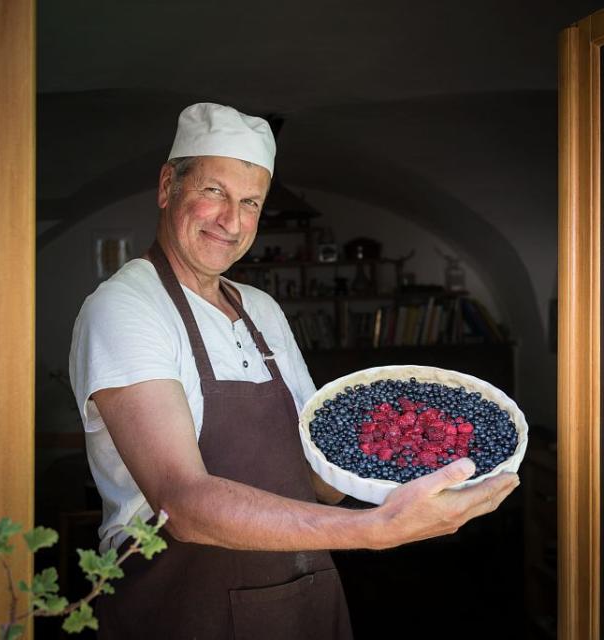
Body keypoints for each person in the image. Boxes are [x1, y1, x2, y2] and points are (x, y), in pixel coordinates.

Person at [69, 102, 519, 639]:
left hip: (297, 596)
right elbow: (181, 504)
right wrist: (376, 530)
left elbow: (317, 477)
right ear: (169, 186)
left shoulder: (262, 310)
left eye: (251, 202)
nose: (231, 221)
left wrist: (415, 460)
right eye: (214, 192)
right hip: (183, 608)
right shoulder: (125, 307)